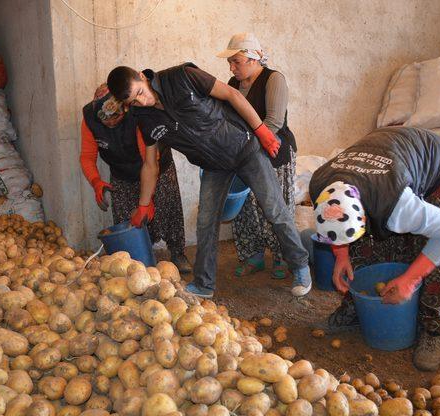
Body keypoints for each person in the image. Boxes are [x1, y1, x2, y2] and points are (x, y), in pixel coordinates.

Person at [106, 63, 311, 298]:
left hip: (244, 148)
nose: (141, 103)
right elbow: (150, 164)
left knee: (274, 209)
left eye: (140, 93)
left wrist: (261, 130)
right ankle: (204, 284)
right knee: (206, 220)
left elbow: (231, 94)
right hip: (214, 164)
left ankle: (300, 265)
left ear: (143, 77)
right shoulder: (144, 118)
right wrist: (144, 204)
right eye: (133, 102)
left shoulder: (182, 76)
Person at [309, 126, 440, 371]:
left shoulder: (398, 205)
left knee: (433, 252)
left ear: (364, 215)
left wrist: (410, 280)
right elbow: (337, 225)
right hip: (388, 156)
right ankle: (358, 308)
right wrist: (341, 255)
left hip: (434, 161)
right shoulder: (319, 184)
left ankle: (431, 327)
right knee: (368, 246)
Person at [217, 33, 301, 290]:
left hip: (274, 153)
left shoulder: (274, 79)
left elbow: (273, 122)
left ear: (254, 59)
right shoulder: (233, 83)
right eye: (230, 62)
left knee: (275, 207)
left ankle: (281, 258)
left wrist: (247, 148)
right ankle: (253, 256)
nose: (232, 68)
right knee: (246, 208)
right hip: (244, 154)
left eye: (237, 61)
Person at [80, 83, 191, 272]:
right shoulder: (90, 120)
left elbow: (150, 162)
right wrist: (96, 181)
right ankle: (133, 262)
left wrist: (146, 201)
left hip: (156, 166)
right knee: (127, 220)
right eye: (105, 122)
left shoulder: (138, 116)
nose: (110, 124)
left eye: (115, 119)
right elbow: (87, 156)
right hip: (122, 173)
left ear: (125, 108)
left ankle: (178, 253)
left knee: (167, 209)